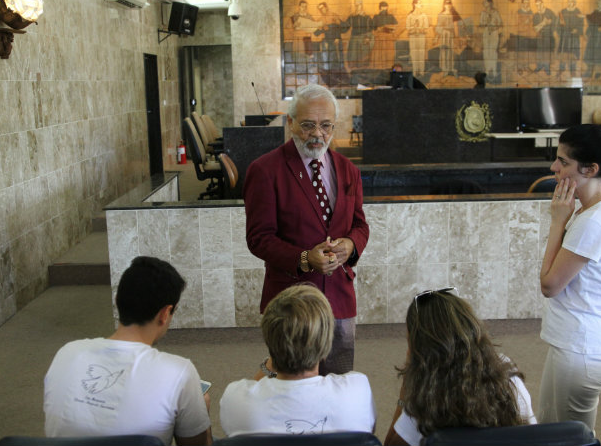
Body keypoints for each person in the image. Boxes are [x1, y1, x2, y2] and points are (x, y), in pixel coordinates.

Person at [243, 83, 369, 375]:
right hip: (291, 300)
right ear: (290, 123)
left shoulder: (348, 169)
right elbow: (259, 238)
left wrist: (350, 245)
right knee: (291, 383)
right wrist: (304, 258)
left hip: (339, 297)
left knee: (338, 380)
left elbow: (360, 224)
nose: (317, 134)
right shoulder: (264, 170)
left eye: (326, 126)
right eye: (308, 125)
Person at [44, 256, 212, 446]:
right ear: (165, 314)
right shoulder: (179, 372)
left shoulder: (67, 354)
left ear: (117, 300)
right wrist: (201, 413)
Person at [538, 124, 601, 431]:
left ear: (591, 168)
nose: (554, 167)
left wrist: (558, 222)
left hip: (581, 351)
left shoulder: (592, 221)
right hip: (577, 344)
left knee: (571, 438)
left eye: (563, 162)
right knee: (548, 430)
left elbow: (550, 285)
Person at [385, 288, 536, 446]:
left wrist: (404, 396)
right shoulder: (509, 379)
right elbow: (531, 436)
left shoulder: (425, 398)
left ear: (418, 351)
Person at [219, 285, 376, 436]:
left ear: (269, 338)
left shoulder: (235, 399)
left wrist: (273, 359)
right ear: (325, 344)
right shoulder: (358, 390)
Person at [479, 0, 503, 82]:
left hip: (494, 32)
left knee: (493, 51)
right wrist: (485, 23)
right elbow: (481, 24)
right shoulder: (483, 13)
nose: (484, 3)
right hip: (486, 32)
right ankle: (487, 70)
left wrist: (494, 27)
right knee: (486, 51)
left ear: (489, 3)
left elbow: (500, 23)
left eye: (485, 2)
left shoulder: (495, 12)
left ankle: (494, 70)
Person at [406, 0, 429, 77]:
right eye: (419, 3)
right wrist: (414, 28)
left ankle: (421, 71)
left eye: (420, 3)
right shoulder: (410, 16)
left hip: (421, 37)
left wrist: (419, 28)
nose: (420, 5)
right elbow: (408, 27)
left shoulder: (424, 15)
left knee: (421, 53)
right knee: (414, 54)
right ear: (415, 4)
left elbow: (426, 27)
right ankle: (415, 71)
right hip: (413, 37)